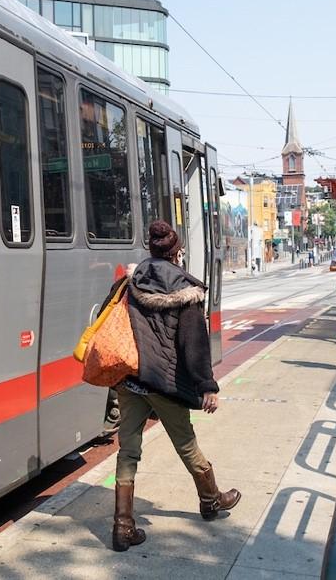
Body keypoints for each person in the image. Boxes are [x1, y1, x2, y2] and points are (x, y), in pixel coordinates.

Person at [111, 221, 241, 552]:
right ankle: (211, 500)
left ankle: (122, 526)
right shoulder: (186, 290)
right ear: (176, 252)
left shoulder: (131, 281)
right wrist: (206, 386)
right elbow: (193, 344)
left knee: (127, 450)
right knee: (186, 443)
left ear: (151, 250)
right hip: (163, 382)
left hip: (130, 380)